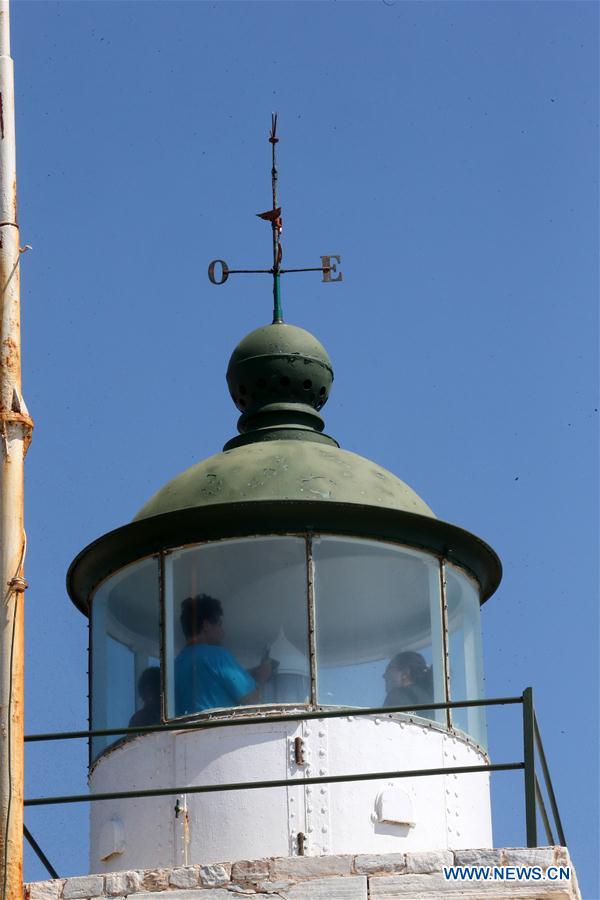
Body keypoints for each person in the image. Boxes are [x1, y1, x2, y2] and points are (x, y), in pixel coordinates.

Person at [174, 594, 272, 716]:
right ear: (206, 626)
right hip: (219, 733)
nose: (223, 632)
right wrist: (262, 677)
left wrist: (250, 674)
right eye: (219, 624)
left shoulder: (176, 664)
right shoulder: (217, 655)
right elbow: (251, 701)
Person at [383, 651, 434, 719]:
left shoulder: (396, 696)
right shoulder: (431, 700)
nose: (384, 675)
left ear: (405, 673)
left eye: (389, 668)